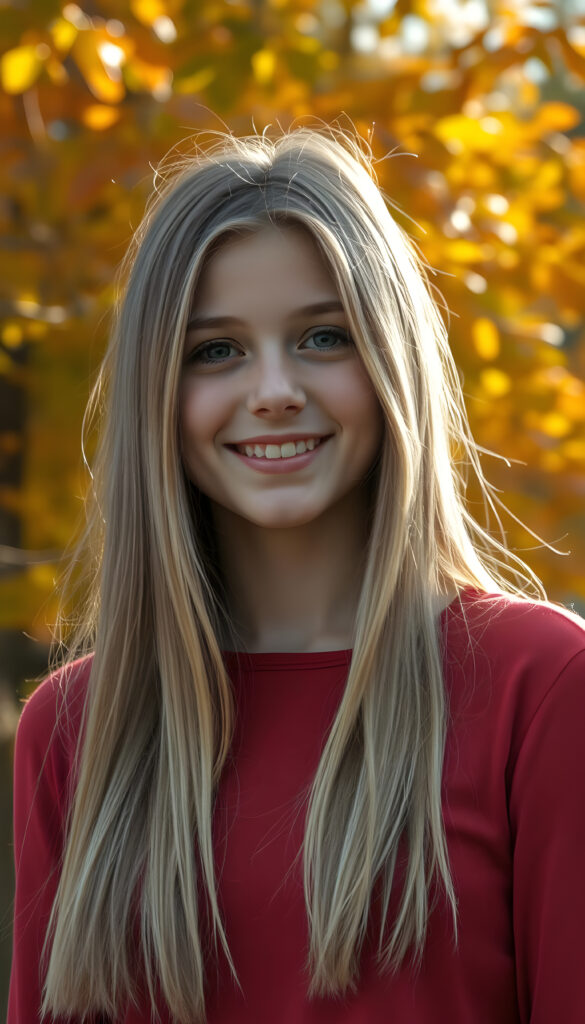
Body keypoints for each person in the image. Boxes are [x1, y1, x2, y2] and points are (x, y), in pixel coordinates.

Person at [9, 123, 585, 1024]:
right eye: (216, 350)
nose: (273, 387)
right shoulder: (76, 729)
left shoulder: (539, 685)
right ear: (157, 393)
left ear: (391, 359)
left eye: (323, 336)